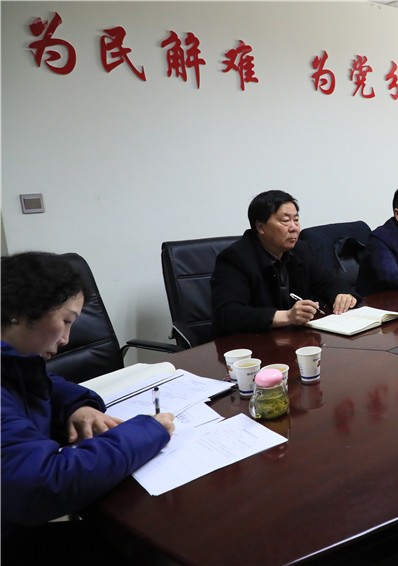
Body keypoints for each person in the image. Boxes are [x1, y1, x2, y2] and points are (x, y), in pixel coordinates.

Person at [1, 252, 175, 564]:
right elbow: (43, 484)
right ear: (20, 312)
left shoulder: (15, 362)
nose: (67, 339)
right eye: (66, 321)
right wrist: (148, 431)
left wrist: (78, 406)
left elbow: (44, 383)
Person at [211, 190, 359, 337]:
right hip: (254, 343)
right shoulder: (235, 258)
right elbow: (227, 314)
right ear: (261, 227)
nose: (294, 228)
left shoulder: (302, 250)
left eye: (296, 220)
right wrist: (287, 316)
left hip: (296, 339)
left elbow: (329, 282)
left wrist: (342, 295)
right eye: (285, 221)